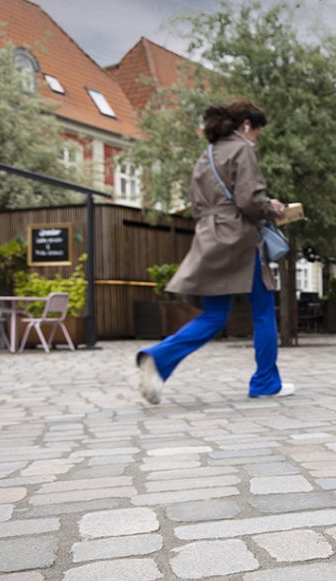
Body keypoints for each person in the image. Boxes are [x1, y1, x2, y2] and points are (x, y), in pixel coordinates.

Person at [136, 100, 292, 404]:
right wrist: (271, 208)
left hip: (209, 236)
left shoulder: (206, 155)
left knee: (214, 314)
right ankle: (265, 382)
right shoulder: (242, 149)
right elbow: (248, 201)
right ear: (247, 125)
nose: (256, 138)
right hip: (240, 239)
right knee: (262, 309)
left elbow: (198, 203)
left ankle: (159, 359)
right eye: (257, 131)